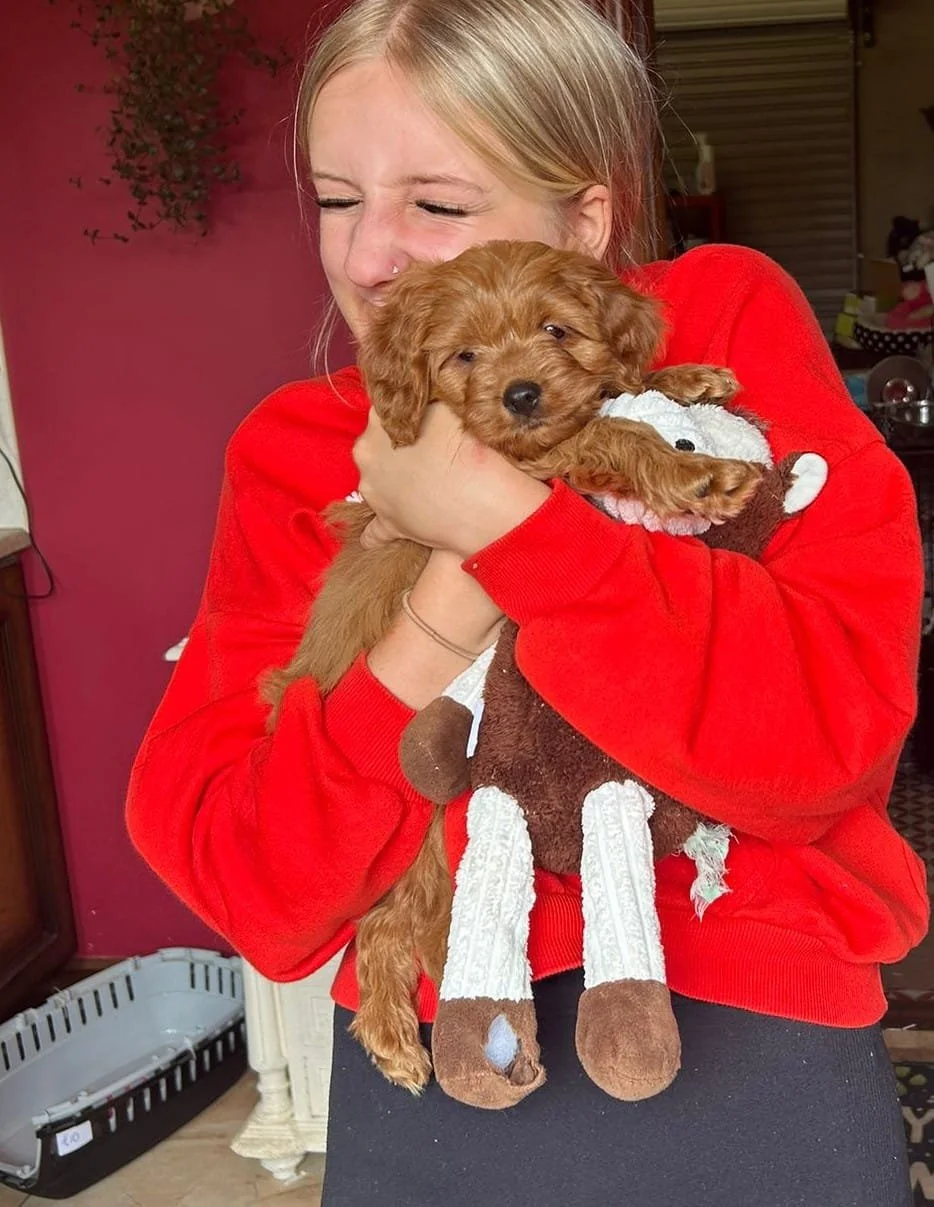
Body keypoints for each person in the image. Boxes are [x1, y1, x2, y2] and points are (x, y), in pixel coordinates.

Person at [126, 1, 928, 1202]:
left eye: (436, 204)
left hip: (750, 1028)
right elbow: (257, 888)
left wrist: (512, 524)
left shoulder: (718, 323)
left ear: (585, 216)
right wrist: (442, 602)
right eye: (338, 199)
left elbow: (820, 746)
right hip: (449, 1057)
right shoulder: (295, 452)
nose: (367, 256)